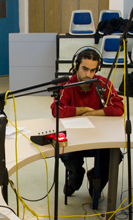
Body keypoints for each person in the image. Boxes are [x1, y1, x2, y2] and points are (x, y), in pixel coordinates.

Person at [50, 47, 124, 197]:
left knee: (115, 156)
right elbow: (57, 110)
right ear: (76, 65)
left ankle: (95, 178)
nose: (88, 74)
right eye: (84, 69)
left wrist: (94, 113)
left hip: (98, 137)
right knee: (66, 154)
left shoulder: (103, 84)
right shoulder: (66, 85)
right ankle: (75, 178)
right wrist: (83, 110)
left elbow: (119, 107)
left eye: (92, 70)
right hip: (73, 138)